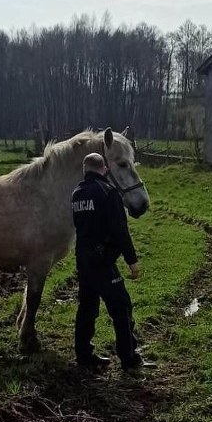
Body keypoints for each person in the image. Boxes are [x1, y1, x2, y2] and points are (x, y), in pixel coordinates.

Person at [71, 152, 153, 372]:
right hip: (103, 262)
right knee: (121, 308)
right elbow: (120, 231)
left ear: (85, 170)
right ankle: (129, 359)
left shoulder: (77, 194)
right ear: (104, 169)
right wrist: (132, 261)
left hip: (83, 259)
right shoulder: (108, 193)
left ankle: (83, 355)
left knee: (87, 307)